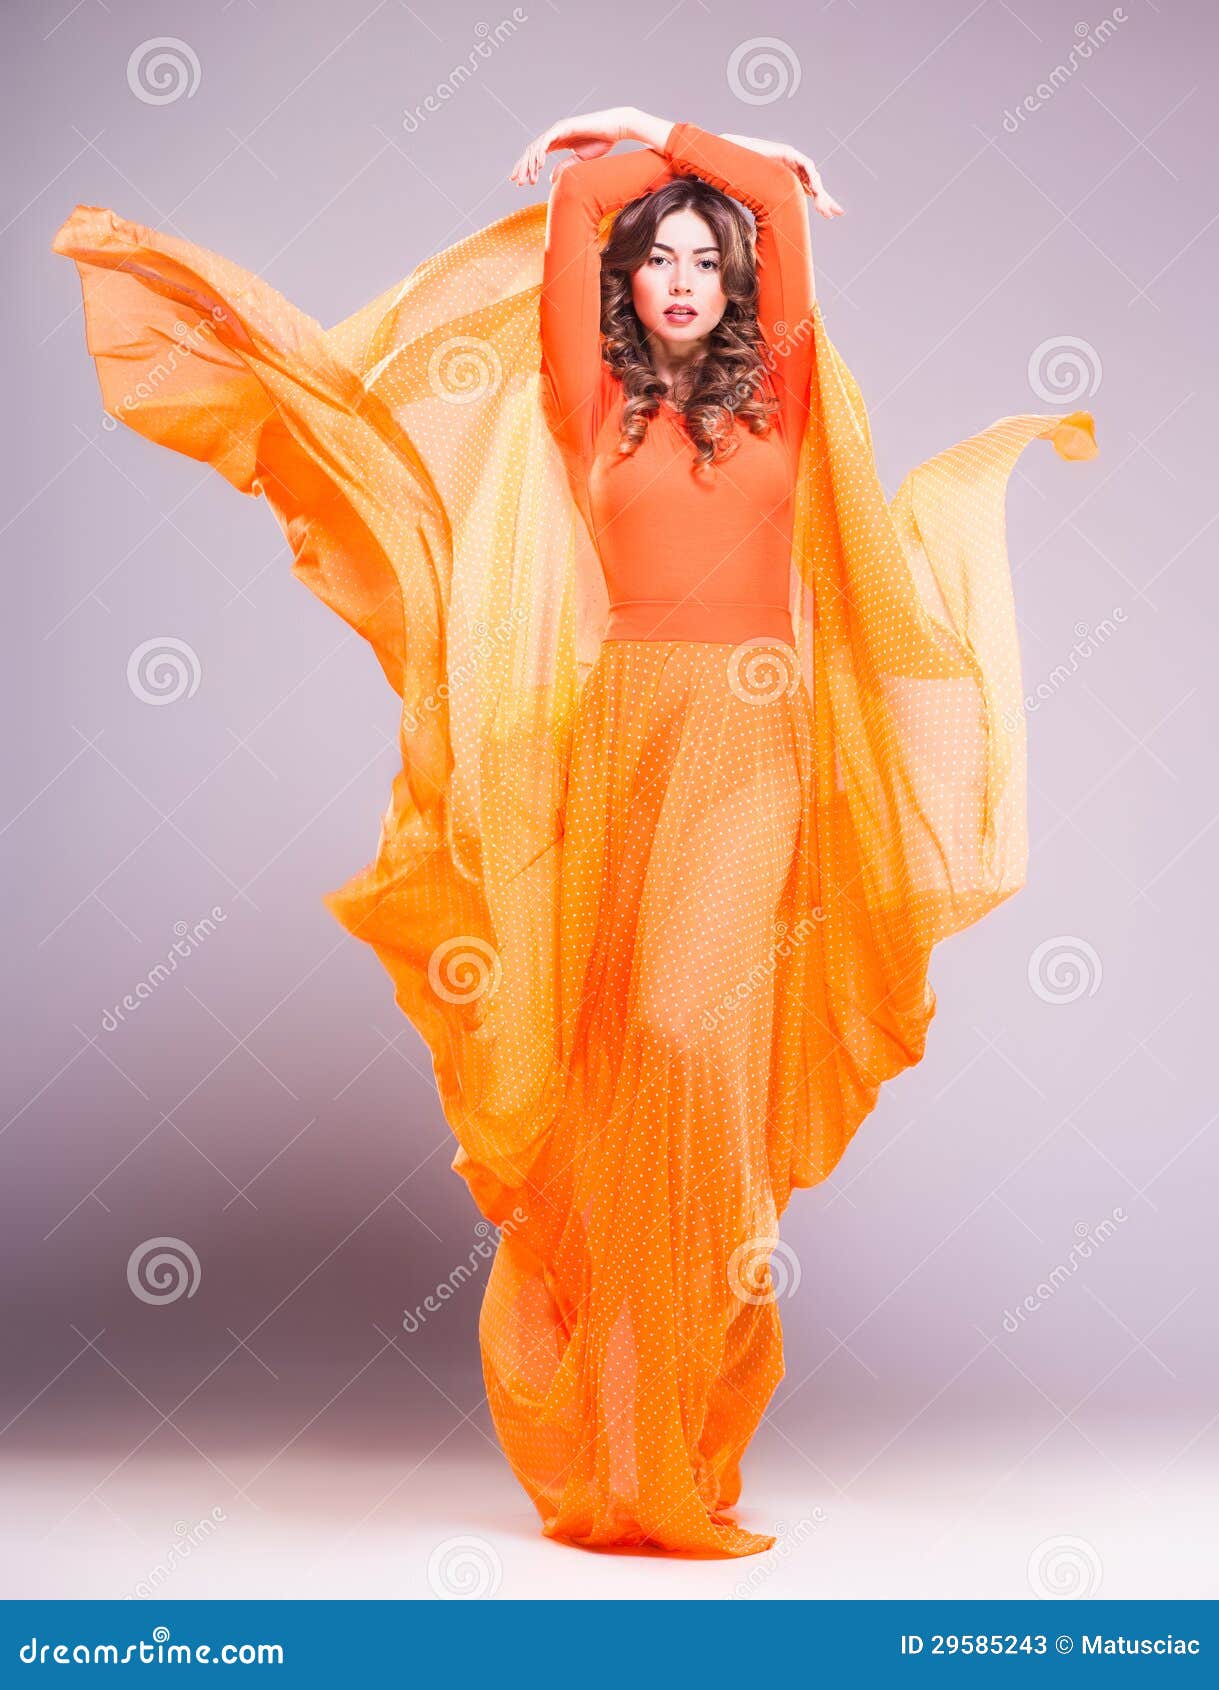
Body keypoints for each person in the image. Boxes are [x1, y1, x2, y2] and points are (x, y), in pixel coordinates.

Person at [51, 104, 1096, 1561]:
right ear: (629, 284)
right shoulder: (589, 400)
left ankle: (679, 1438)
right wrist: (609, 150)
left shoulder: (779, 393)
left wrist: (679, 134)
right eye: (657, 259)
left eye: (700, 263)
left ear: (734, 293)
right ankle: (623, 1454)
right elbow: (575, 216)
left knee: (692, 1052)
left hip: (750, 743)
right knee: (612, 1090)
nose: (678, 277)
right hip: (622, 744)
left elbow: (778, 215)